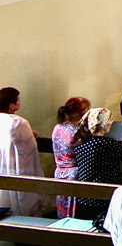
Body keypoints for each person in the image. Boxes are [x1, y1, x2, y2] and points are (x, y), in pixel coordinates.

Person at [69, 108, 122, 223]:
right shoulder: (107, 142)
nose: (111, 122)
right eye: (109, 119)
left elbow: (103, 152)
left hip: (85, 195)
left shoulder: (82, 141)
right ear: (102, 123)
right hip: (104, 195)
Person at [0, 88, 43, 217]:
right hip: (17, 167)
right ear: (11, 105)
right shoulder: (18, 122)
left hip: (3, 166)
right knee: (20, 203)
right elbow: (29, 148)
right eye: (18, 99)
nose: (20, 101)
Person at [50, 97, 90, 218]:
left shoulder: (58, 127)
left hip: (59, 172)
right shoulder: (79, 131)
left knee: (63, 206)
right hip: (75, 173)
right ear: (84, 112)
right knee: (74, 210)